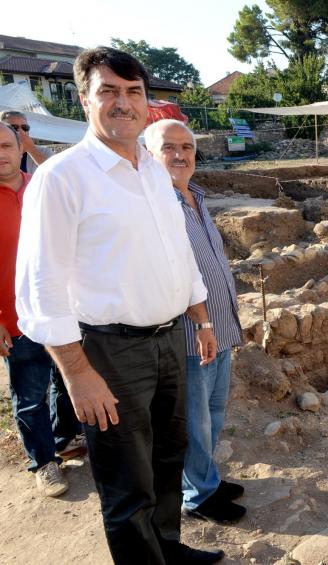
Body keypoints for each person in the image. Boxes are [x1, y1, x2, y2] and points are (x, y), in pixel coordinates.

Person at [16, 47, 224, 565]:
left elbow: (178, 250)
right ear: (85, 99)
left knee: (166, 457)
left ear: (146, 102)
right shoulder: (62, 178)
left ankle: (168, 548)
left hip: (169, 340)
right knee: (126, 479)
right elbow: (41, 287)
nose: (123, 103)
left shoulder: (153, 172)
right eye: (108, 91)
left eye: (133, 92)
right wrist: (78, 374)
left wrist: (199, 315)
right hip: (109, 351)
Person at [144, 119, 245, 524]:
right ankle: (197, 496)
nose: (180, 155)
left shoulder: (196, 198)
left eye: (186, 147)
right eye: (168, 147)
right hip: (190, 337)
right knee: (195, 422)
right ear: (148, 155)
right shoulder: (154, 206)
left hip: (219, 329)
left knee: (214, 414)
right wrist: (203, 326)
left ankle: (205, 479)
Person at [0, 122, 82, 497]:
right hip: (15, 319)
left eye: (6, 144)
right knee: (30, 393)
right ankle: (44, 463)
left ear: (22, 148)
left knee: (66, 382)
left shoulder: (43, 187)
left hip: (63, 309)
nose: (1, 153)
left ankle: (65, 439)